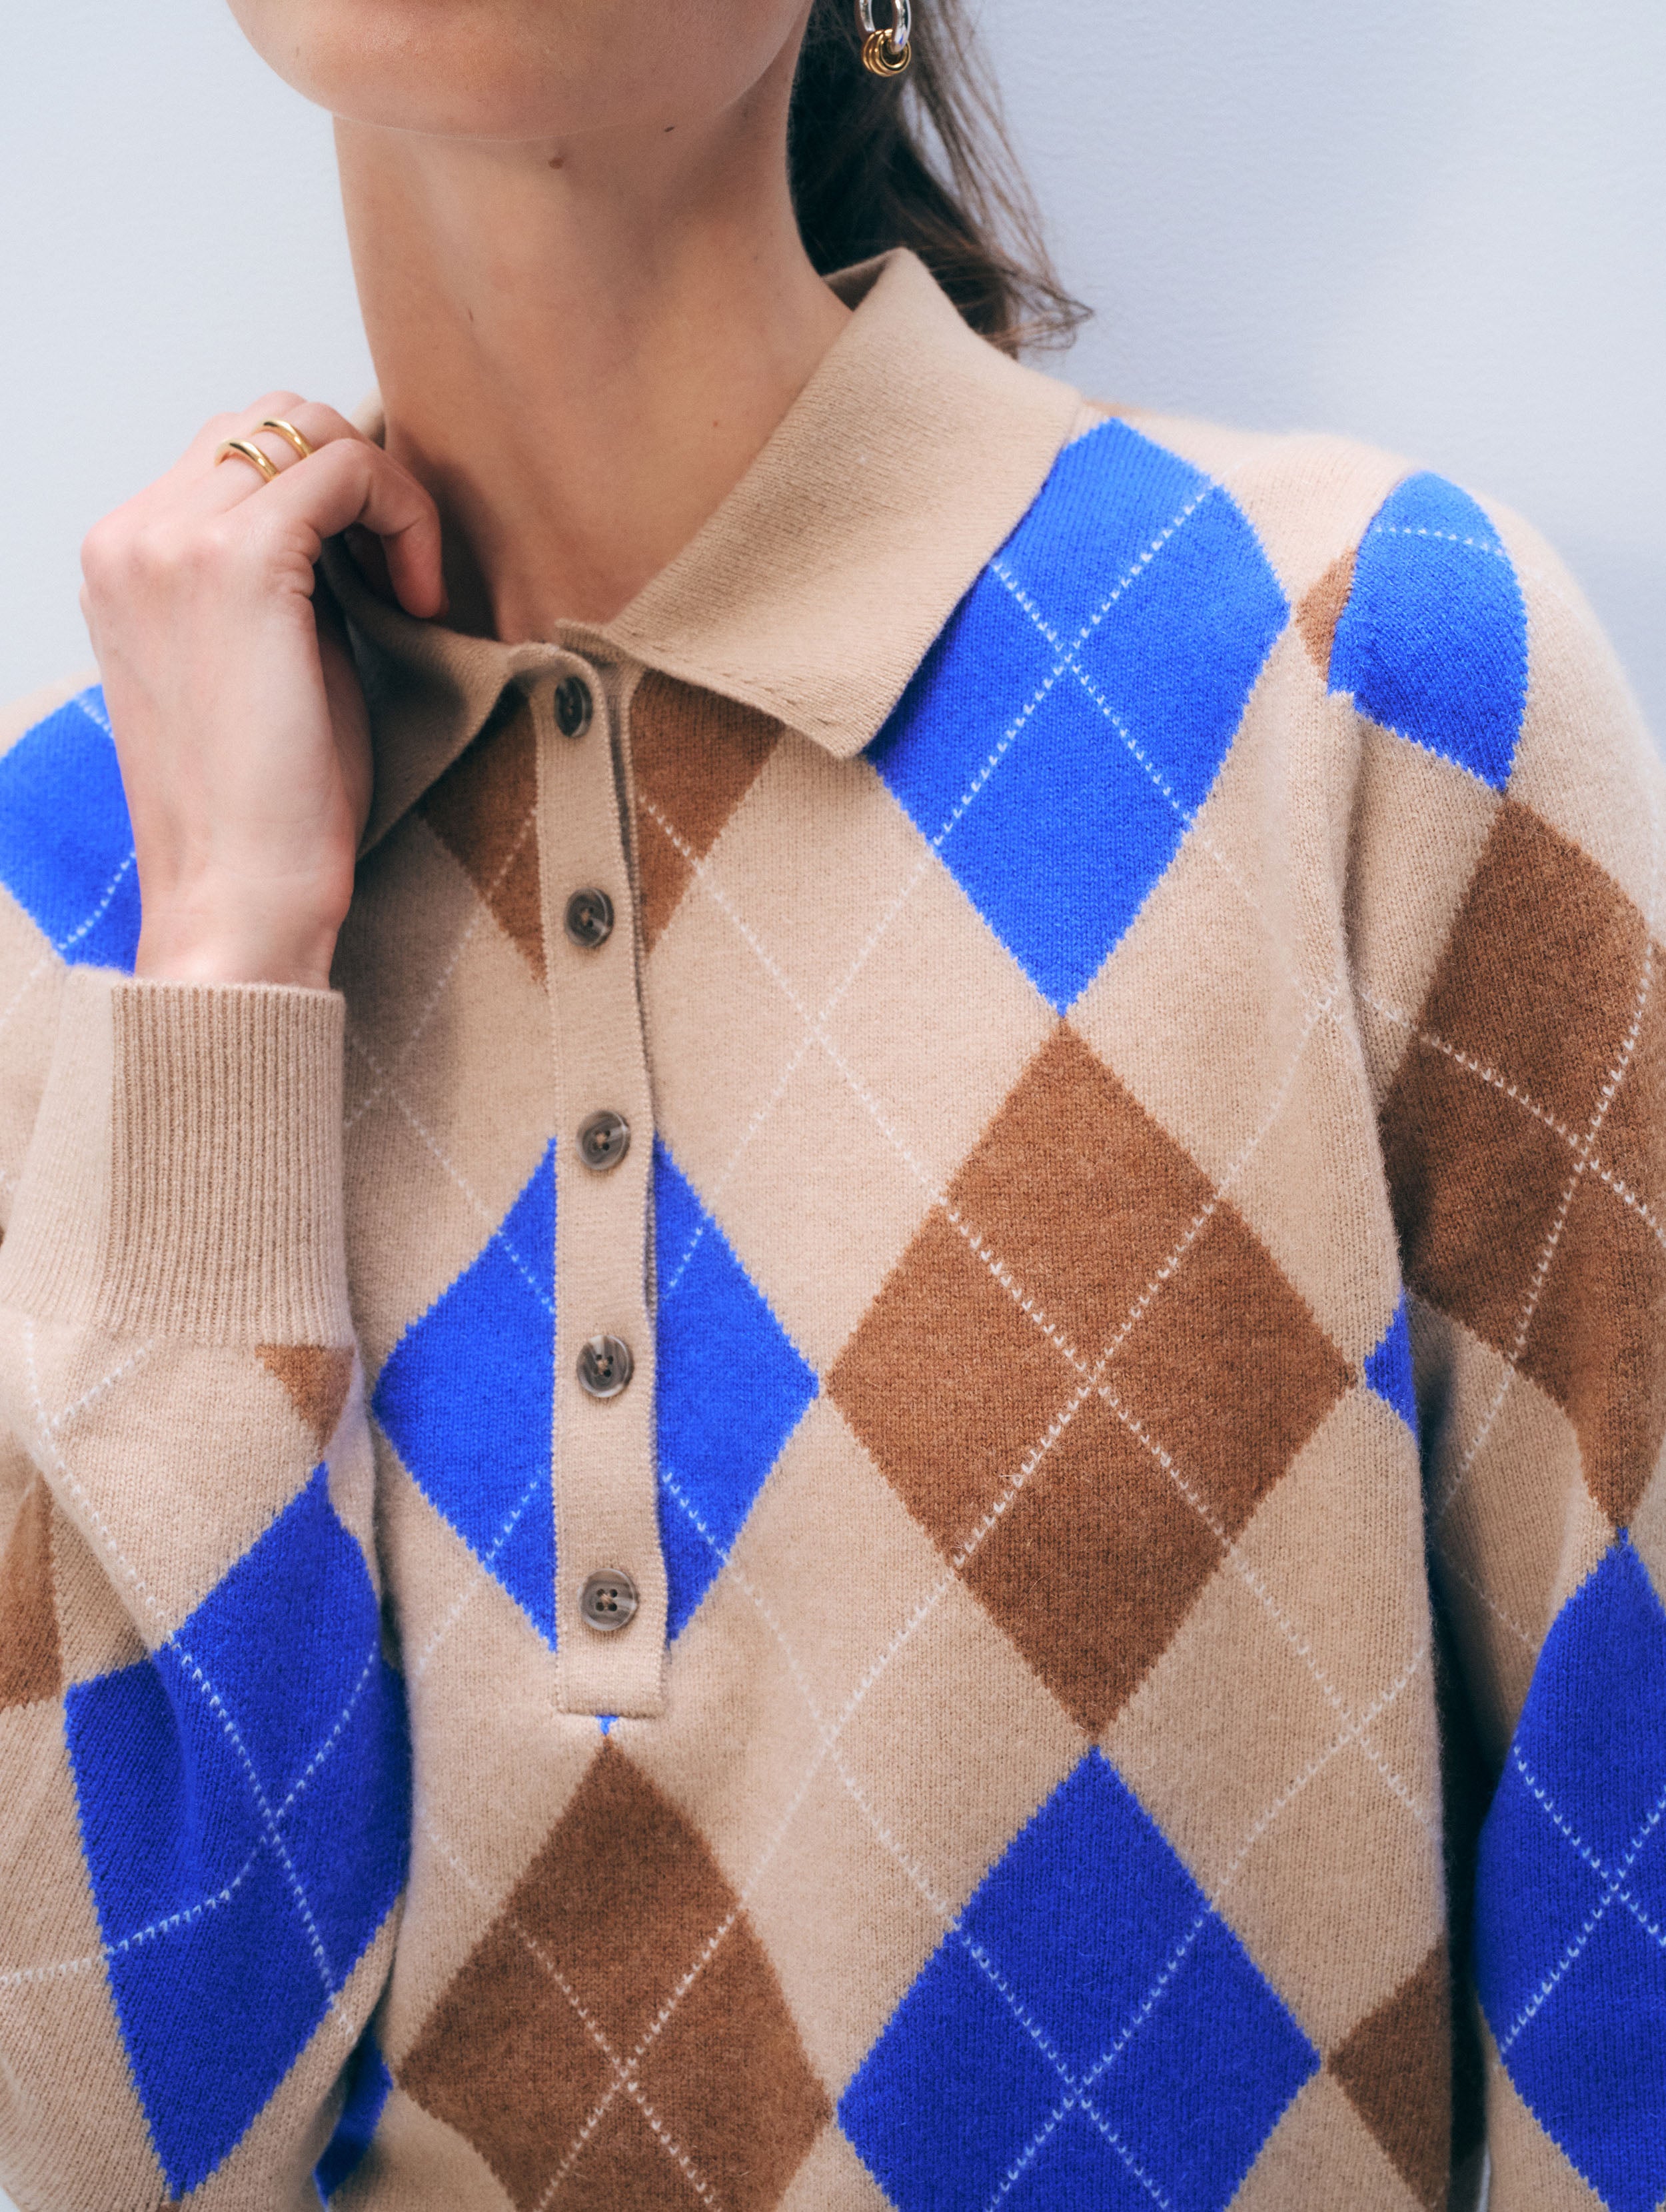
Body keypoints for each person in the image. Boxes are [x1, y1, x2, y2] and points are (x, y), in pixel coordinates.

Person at [0, 1, 1660, 2206]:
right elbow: (106, 2132)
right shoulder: (71, 893)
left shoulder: (1345, 673)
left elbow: (1629, 1923)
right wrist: (221, 958)